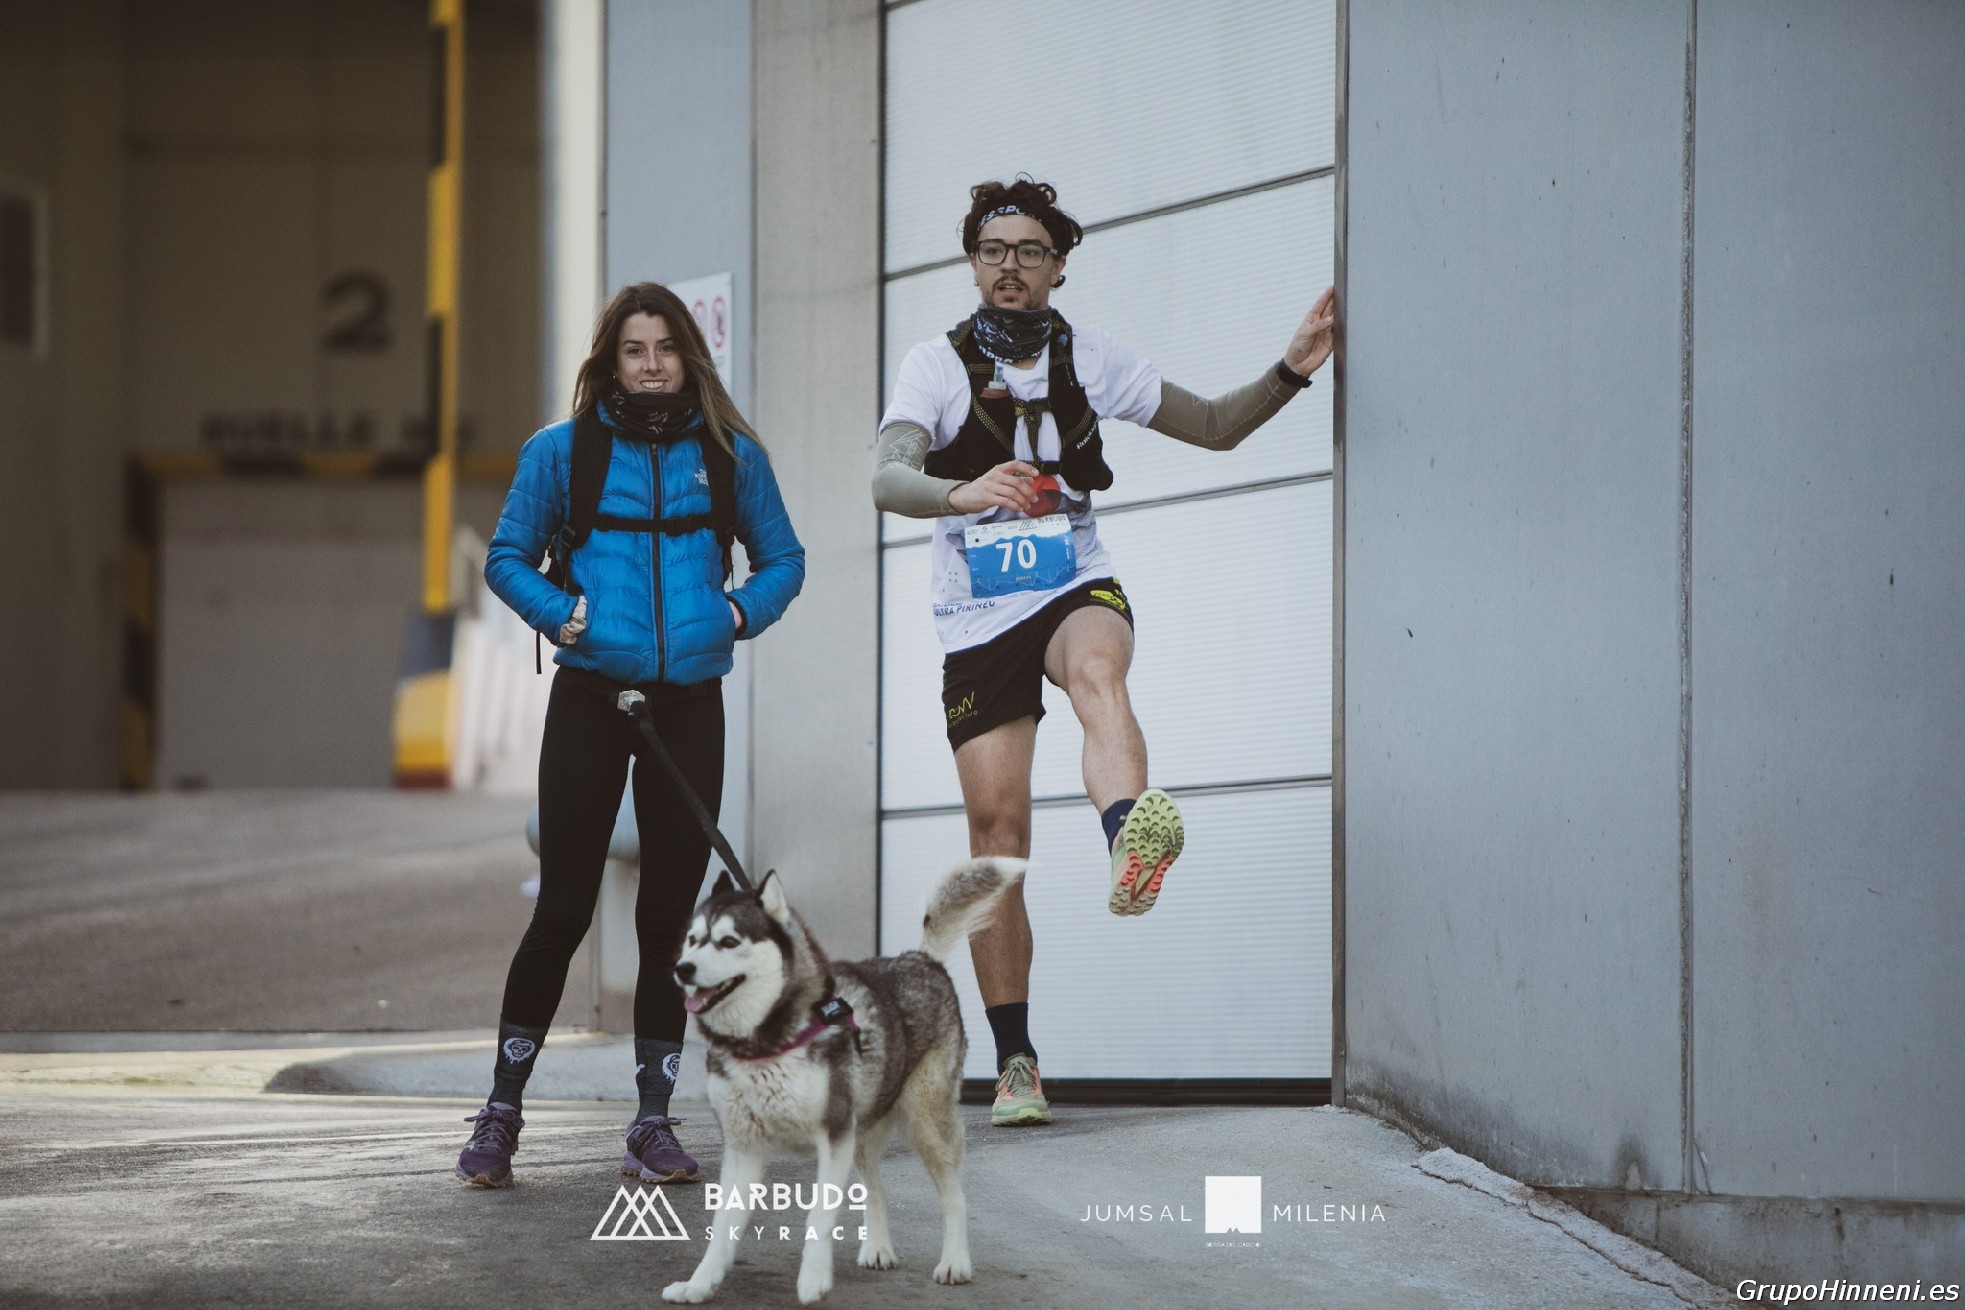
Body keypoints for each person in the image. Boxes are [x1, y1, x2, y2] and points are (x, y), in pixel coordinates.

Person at [871, 177, 1337, 1127]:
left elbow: (1214, 426)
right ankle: (1016, 1063)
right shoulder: (935, 366)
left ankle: (1130, 838)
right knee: (998, 839)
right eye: (993, 250)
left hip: (1072, 581)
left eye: (1029, 250)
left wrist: (1289, 369)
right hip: (976, 614)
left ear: (1057, 267)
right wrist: (964, 493)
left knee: (1097, 671)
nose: (1010, 265)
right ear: (972, 264)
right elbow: (887, 479)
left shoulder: (1093, 357)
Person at [455, 283, 805, 1187]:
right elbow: (506, 558)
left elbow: (783, 559)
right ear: (610, 363)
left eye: (665, 348)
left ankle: (652, 1122)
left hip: (686, 707)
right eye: (634, 351)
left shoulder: (730, 456)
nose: (651, 365)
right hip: (590, 700)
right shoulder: (559, 452)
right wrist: (562, 615)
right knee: (562, 909)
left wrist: (736, 614)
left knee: (667, 923)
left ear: (689, 355)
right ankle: (501, 1113)